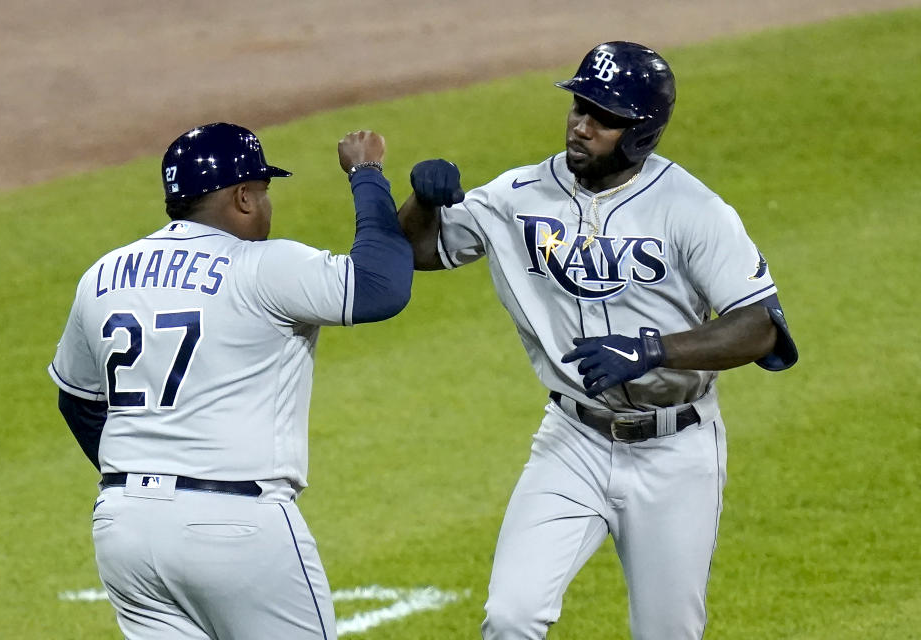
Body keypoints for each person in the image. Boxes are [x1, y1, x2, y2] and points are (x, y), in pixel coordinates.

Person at [398, 42, 798, 639]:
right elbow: (414, 251)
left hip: (676, 451)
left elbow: (761, 325)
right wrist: (422, 205)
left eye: (603, 117)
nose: (582, 125)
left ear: (641, 132)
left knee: (668, 632)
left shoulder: (692, 209)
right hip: (572, 440)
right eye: (580, 106)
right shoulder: (518, 195)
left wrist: (653, 350)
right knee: (511, 617)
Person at [47, 122, 411, 640]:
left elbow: (77, 401)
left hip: (123, 525)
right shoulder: (261, 267)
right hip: (235, 526)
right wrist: (367, 173)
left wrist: (149, 477)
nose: (266, 207)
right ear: (242, 197)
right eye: (263, 192)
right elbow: (379, 288)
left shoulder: (102, 274)